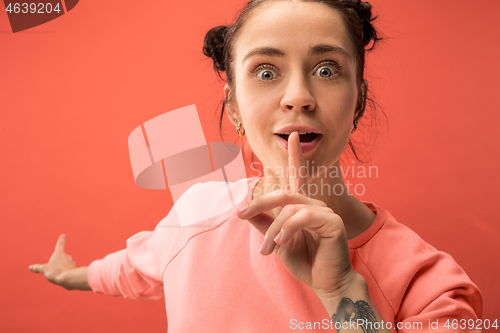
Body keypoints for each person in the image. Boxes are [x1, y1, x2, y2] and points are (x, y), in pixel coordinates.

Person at [29, 0, 483, 331]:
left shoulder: (432, 289)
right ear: (234, 109)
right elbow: (136, 266)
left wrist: (343, 290)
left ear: (359, 100)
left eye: (327, 69)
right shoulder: (196, 215)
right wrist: (67, 274)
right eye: (266, 72)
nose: (298, 96)